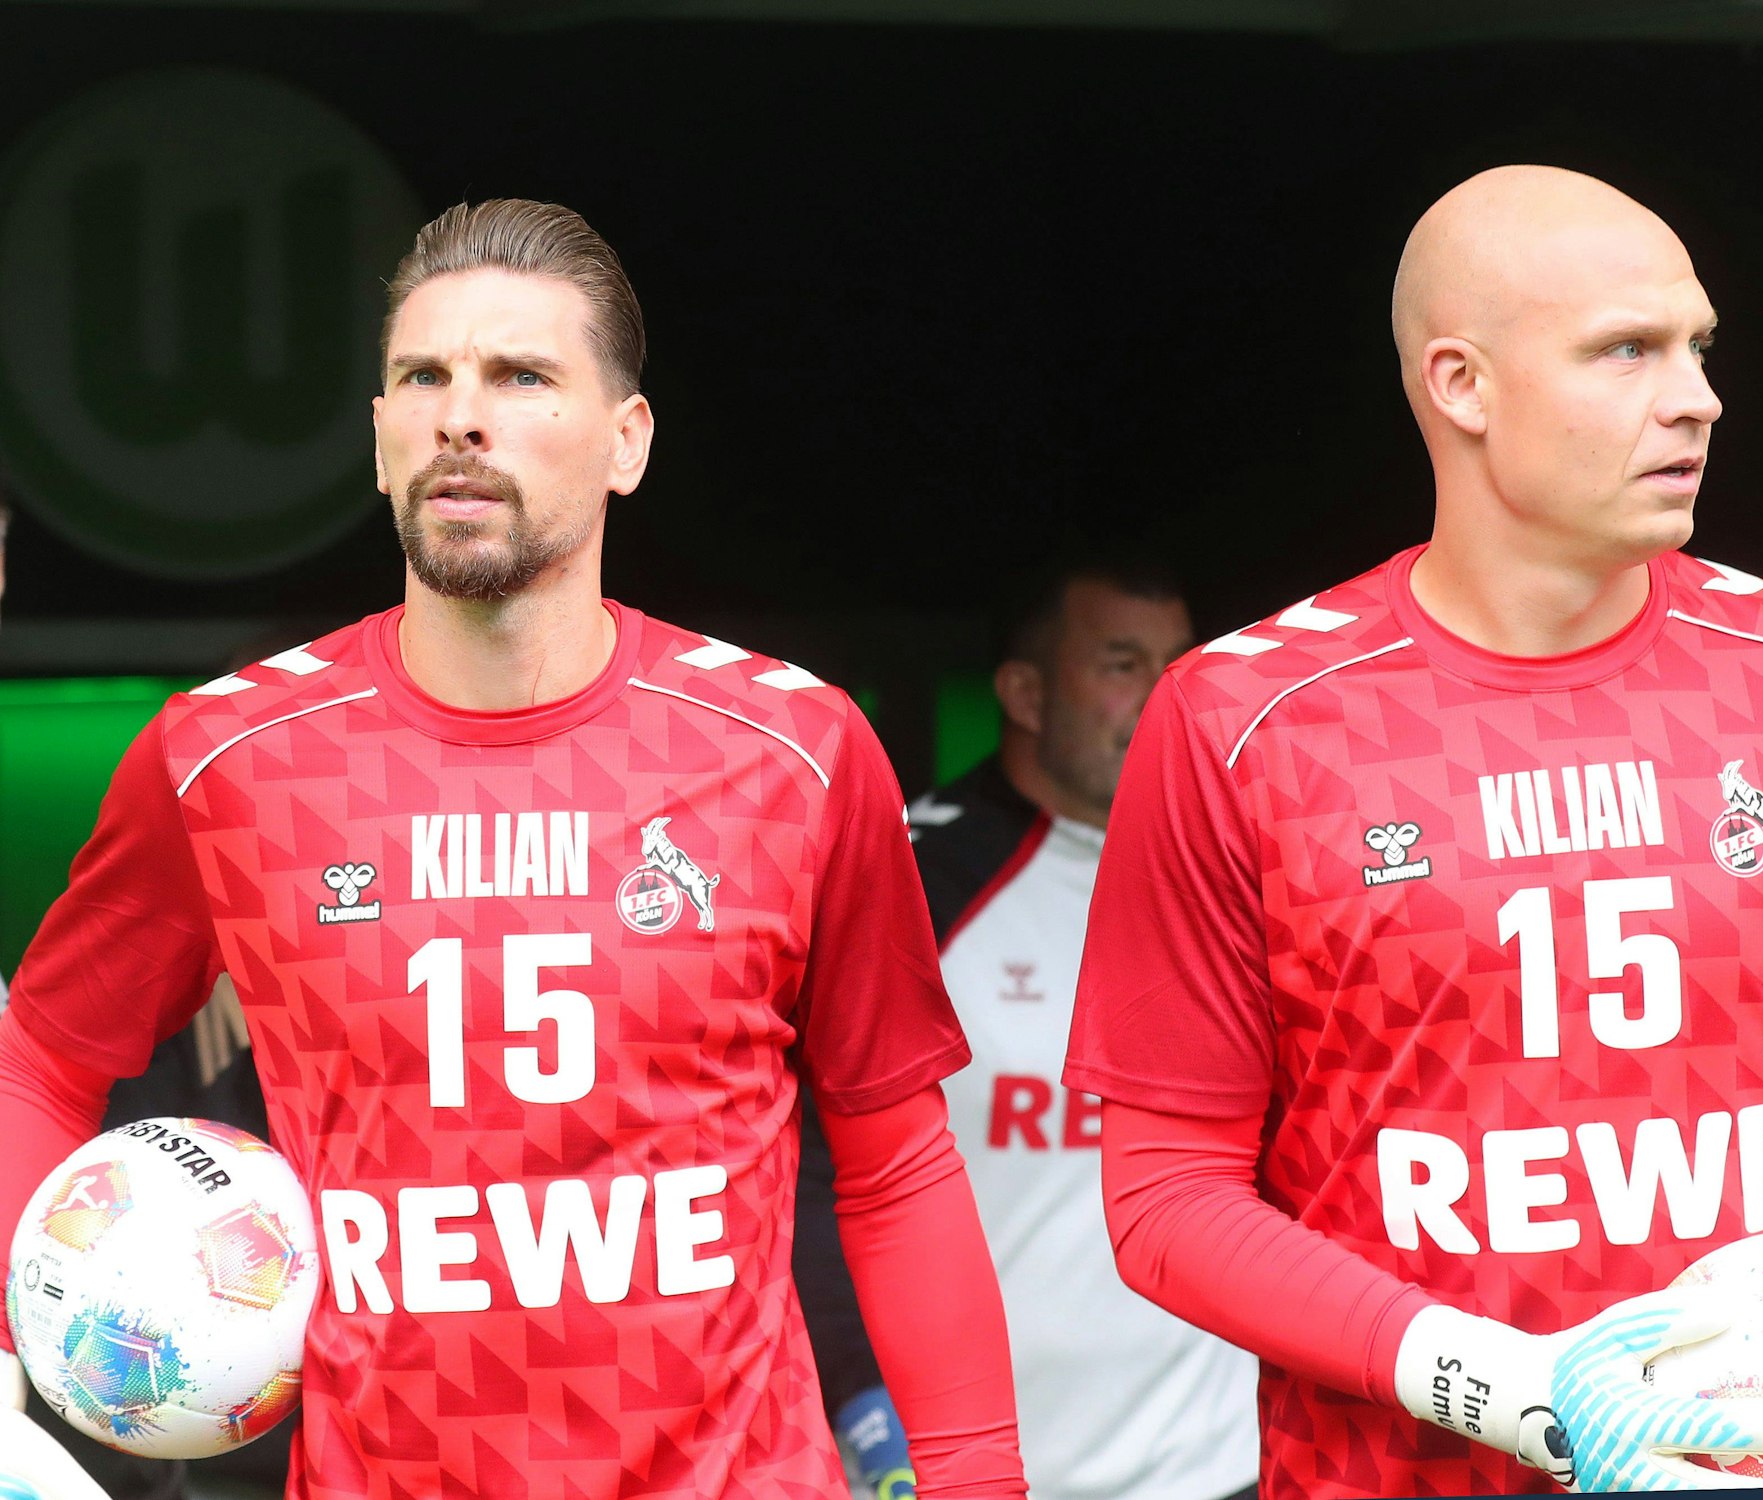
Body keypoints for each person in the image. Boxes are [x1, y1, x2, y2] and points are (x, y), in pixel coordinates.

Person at [0, 198, 1025, 1500]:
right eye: (421, 377)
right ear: (378, 441)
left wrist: (981, 1480)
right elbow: (40, 1056)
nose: (460, 416)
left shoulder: (795, 751)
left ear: (627, 441)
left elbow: (897, 1162)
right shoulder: (227, 759)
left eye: (521, 376)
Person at [1063, 163, 1763, 1496]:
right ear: (1462, 386)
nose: (1698, 397)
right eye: (1628, 351)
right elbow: (1167, 1201)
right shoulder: (1246, 720)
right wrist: (1518, 1394)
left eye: (1698, 348)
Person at [794, 558, 1261, 1500]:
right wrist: (865, 1414)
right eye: (1123, 664)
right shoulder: (915, 879)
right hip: (972, 1475)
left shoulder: (1247, 868)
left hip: (1222, 1465)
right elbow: (805, 1182)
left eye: (1179, 666)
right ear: (1023, 692)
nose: (1162, 697)